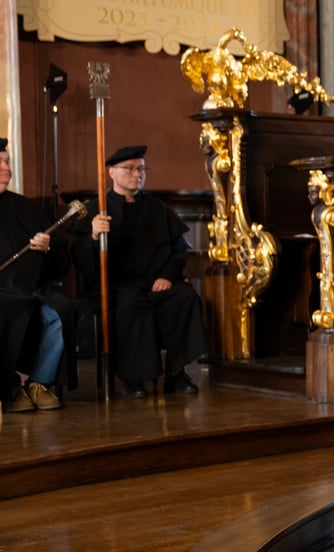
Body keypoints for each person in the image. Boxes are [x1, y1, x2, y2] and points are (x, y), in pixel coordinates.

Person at [72, 145, 208, 399]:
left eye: (142, 169)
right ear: (112, 172)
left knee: (184, 297)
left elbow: (179, 251)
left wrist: (167, 276)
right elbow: (81, 259)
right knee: (131, 305)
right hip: (119, 286)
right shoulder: (95, 210)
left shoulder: (157, 209)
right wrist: (92, 236)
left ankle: (176, 373)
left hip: (157, 281)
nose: (138, 174)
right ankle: (134, 378)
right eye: (130, 169)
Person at [0, 137, 68, 412]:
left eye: (6, 162)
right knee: (13, 310)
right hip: (3, 293)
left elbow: (61, 257)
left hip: (33, 288)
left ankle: (39, 382)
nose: (6, 168)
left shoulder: (25, 206)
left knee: (60, 313)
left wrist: (48, 246)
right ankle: (11, 387)